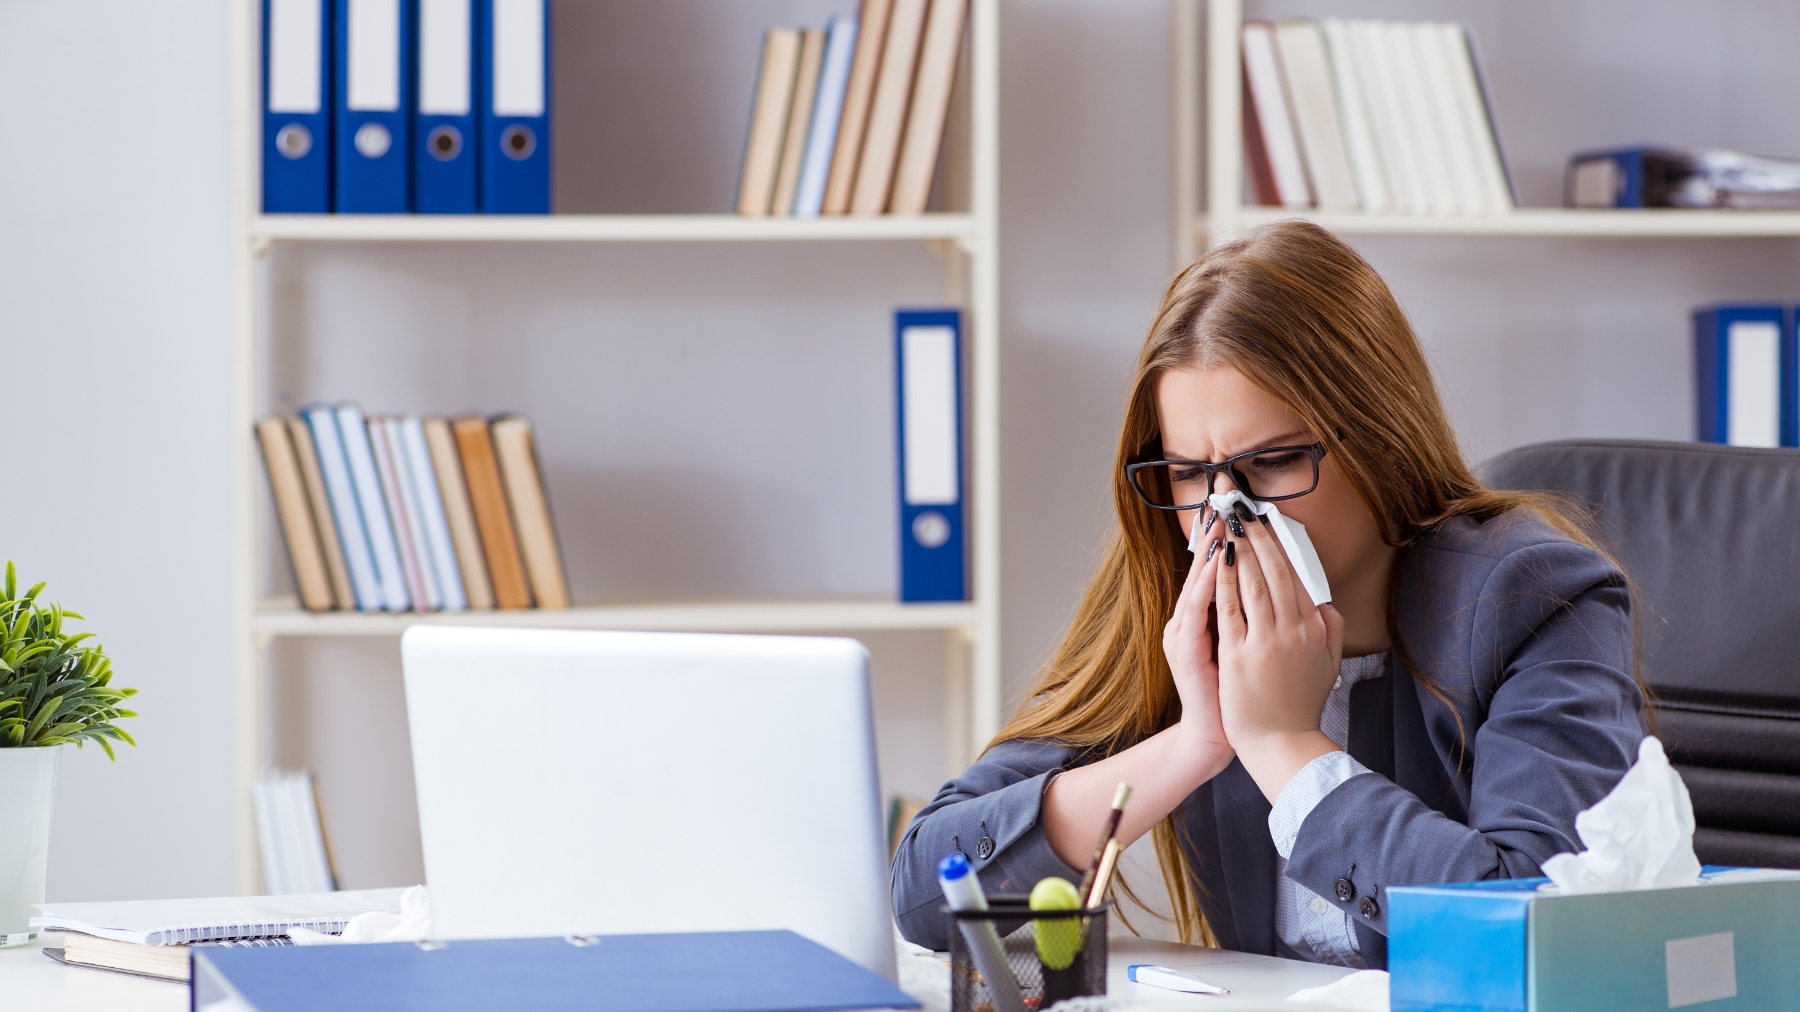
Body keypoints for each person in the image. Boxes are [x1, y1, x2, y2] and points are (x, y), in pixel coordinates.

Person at [891, 221, 1644, 969]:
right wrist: (1195, 744)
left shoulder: (1537, 598)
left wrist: (1287, 748)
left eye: (1275, 461)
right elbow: (928, 889)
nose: (1225, 512)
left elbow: (1536, 936)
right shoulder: (1174, 588)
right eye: (1190, 474)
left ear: (1383, 440)